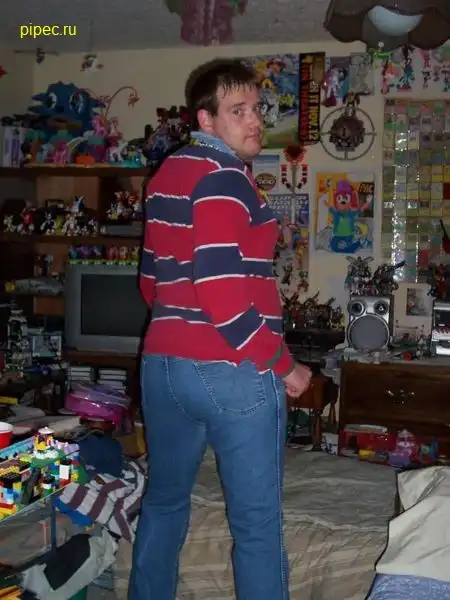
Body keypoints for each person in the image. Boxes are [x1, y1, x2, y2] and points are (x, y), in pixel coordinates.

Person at [129, 58, 312, 600]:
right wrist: (284, 364)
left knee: (163, 503)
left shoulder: (166, 175)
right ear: (205, 119)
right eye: (238, 111)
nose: (255, 121)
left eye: (256, 108)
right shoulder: (227, 177)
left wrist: (178, 330)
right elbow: (221, 292)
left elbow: (150, 281)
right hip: (231, 369)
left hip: (163, 367)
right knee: (256, 526)